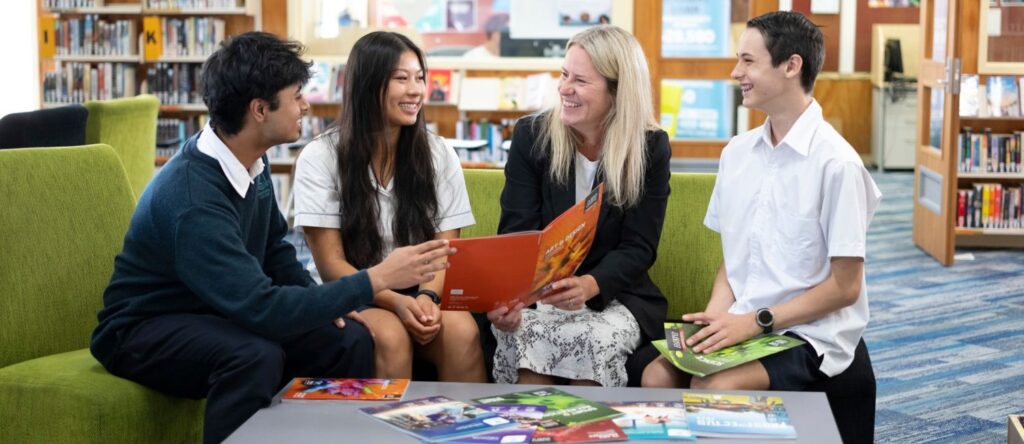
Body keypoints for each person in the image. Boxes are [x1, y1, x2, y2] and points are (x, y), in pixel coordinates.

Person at [89, 32, 453, 444]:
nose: (306, 106)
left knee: (347, 339)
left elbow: (277, 252)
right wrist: (374, 279)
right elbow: (262, 308)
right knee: (252, 356)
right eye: (296, 96)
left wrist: (330, 302)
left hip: (215, 308)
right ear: (259, 110)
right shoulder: (193, 198)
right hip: (145, 328)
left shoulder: (250, 161)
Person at [642, 11, 882, 392]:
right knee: (656, 376)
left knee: (713, 388)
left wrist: (756, 321)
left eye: (748, 61)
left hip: (807, 332)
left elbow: (845, 287)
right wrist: (716, 316)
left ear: (791, 66)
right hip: (745, 320)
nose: (736, 72)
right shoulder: (736, 153)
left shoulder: (837, 164)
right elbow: (735, 259)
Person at [293, 31, 486, 383]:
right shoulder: (320, 156)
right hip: (355, 291)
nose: (416, 90)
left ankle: (469, 434)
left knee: (462, 333)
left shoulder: (439, 153)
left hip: (423, 290)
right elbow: (330, 263)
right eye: (401, 78)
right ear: (368, 84)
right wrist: (395, 302)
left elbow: (446, 250)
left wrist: (427, 297)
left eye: (419, 78)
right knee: (392, 337)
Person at [484, 25, 671, 387]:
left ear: (617, 92)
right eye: (564, 74)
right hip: (540, 296)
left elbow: (639, 246)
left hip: (612, 295)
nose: (564, 88)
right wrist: (513, 298)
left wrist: (589, 284)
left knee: (593, 343)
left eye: (580, 81)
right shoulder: (531, 136)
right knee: (526, 340)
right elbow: (516, 233)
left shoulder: (649, 147)